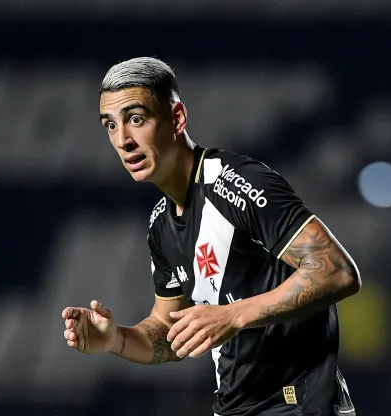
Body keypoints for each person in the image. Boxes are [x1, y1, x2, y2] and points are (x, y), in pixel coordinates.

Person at [62, 57, 362, 416]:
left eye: (136, 119)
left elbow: (336, 271)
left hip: (298, 405)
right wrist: (116, 339)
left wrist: (234, 315)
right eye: (110, 125)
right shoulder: (160, 224)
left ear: (176, 118)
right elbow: (167, 333)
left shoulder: (237, 181)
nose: (123, 140)